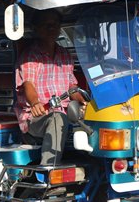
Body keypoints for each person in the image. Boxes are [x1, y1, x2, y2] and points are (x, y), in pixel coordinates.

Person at [14, 10, 85, 166]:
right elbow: (28, 84)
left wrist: (83, 102)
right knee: (56, 117)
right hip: (38, 118)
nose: (51, 28)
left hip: (67, 113)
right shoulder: (30, 56)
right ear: (36, 28)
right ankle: (48, 168)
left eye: (55, 24)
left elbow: (71, 86)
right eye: (46, 25)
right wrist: (35, 103)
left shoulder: (65, 54)